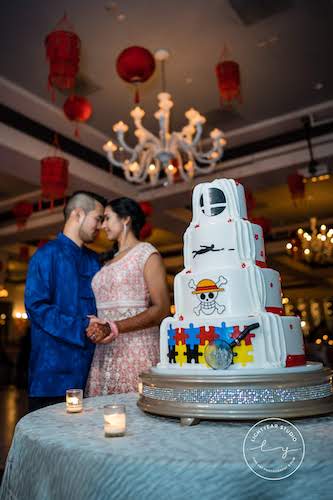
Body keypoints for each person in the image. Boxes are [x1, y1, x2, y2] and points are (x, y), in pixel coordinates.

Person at [25, 191, 110, 412]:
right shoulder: (45, 255)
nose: (100, 226)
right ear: (78, 214)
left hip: (91, 373)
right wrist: (83, 325)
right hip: (51, 376)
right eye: (98, 218)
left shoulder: (94, 260)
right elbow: (37, 308)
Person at [85, 197, 170, 396]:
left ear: (125, 219)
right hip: (105, 350)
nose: (102, 225)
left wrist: (114, 327)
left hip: (136, 348)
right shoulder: (106, 261)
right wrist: (96, 323)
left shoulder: (146, 254)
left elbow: (162, 309)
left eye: (107, 218)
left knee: (136, 416)